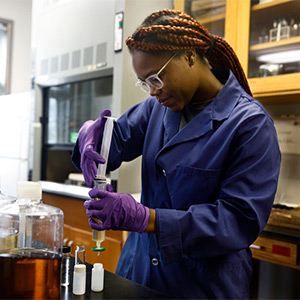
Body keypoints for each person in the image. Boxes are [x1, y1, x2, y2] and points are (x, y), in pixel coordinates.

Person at [72, 9, 281, 300]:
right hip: (140, 273)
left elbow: (237, 220)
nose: (152, 92)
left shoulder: (249, 124)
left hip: (201, 286)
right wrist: (90, 137)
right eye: (145, 82)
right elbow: (116, 140)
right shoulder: (158, 106)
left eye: (156, 78)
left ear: (190, 57)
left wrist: (147, 219)